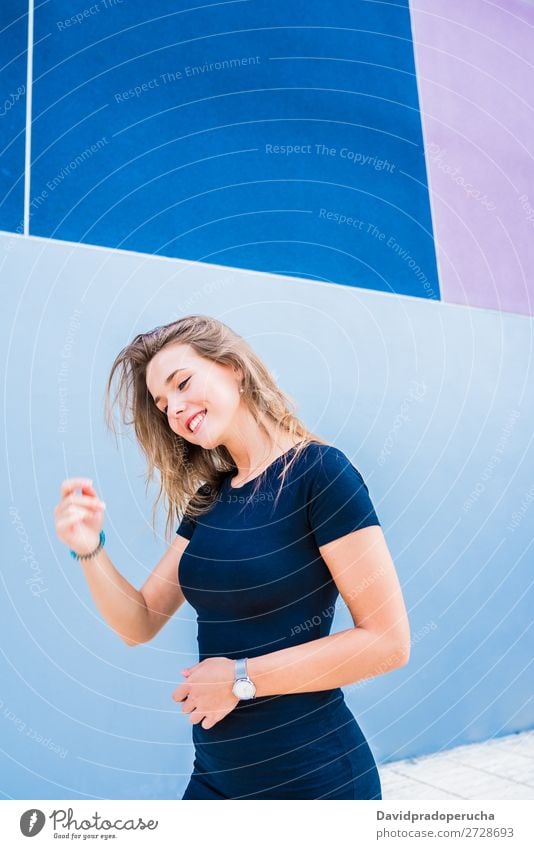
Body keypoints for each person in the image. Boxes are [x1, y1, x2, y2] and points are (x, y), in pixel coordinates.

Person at [54, 314, 410, 800]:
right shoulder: (210, 500)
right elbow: (138, 622)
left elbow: (388, 642)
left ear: (233, 368)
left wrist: (241, 679)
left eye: (183, 383)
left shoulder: (320, 474)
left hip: (314, 782)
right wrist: (89, 549)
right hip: (216, 779)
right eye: (163, 405)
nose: (176, 409)